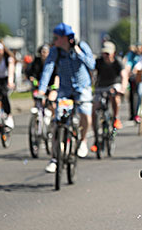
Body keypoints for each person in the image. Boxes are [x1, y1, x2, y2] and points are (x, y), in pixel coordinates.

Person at [39, 23, 95, 172]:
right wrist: (41, 90)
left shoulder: (82, 46)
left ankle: (83, 141)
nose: (54, 40)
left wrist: (79, 53)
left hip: (82, 88)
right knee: (59, 123)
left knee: (85, 112)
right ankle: (54, 158)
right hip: (64, 89)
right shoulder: (55, 51)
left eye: (56, 37)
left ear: (65, 38)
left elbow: (92, 64)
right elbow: (48, 69)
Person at [91, 41, 128, 148]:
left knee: (114, 96)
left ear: (113, 53)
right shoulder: (98, 62)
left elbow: (124, 75)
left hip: (114, 84)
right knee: (95, 109)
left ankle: (116, 118)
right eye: (104, 53)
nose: (105, 56)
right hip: (100, 86)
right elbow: (92, 73)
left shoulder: (118, 62)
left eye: (108, 53)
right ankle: (96, 137)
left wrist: (123, 88)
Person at [0, 41, 16, 130]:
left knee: (4, 95)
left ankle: (8, 115)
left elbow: (11, 70)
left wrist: (10, 82)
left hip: (6, 78)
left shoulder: (8, 58)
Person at [124, 43, 142, 120]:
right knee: (133, 95)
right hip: (134, 76)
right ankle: (134, 113)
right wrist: (128, 72)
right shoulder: (131, 55)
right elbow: (128, 64)